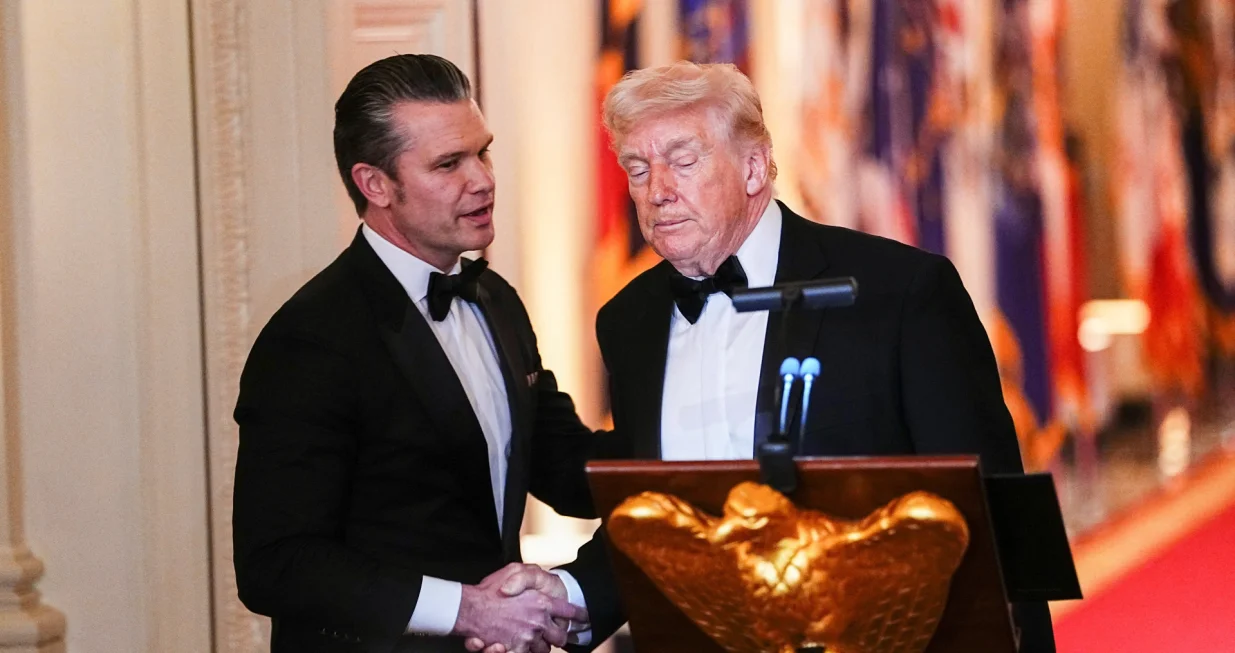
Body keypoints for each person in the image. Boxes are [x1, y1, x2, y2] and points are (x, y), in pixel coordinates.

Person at [553, 61, 1056, 651]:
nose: (657, 191)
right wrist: (564, 598)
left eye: (683, 161)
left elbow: (992, 510)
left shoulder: (900, 293)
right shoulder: (628, 321)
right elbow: (657, 508)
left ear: (754, 167)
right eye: (637, 169)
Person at [232, 54, 596, 653]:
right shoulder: (313, 338)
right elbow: (277, 563)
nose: (481, 179)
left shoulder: (495, 298)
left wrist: (700, 459)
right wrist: (467, 610)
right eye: (449, 164)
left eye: (483, 152)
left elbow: (565, 467)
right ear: (375, 184)